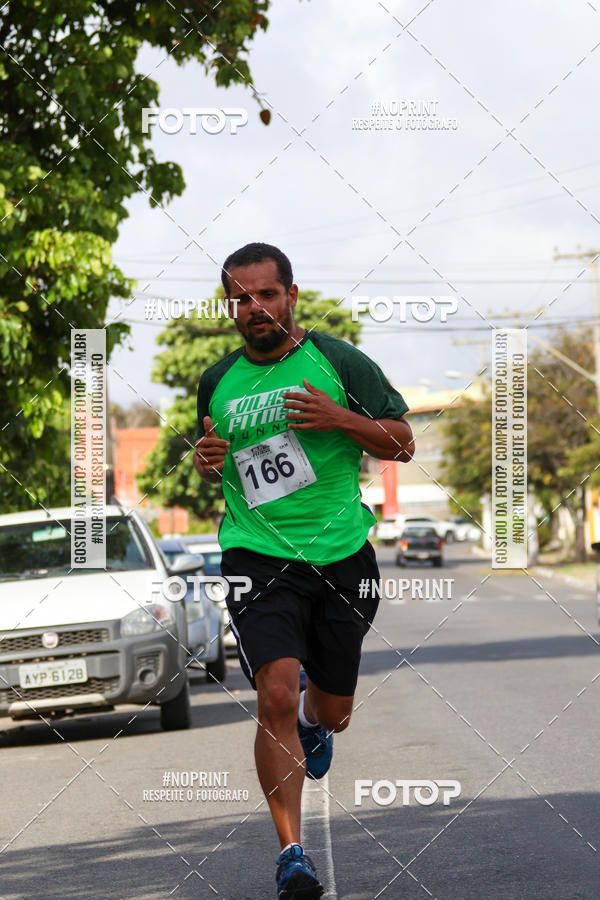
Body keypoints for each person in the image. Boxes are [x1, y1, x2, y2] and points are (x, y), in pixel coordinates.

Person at [193, 243, 414, 899]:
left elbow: (403, 442)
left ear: (291, 295)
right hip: (256, 554)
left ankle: (317, 725)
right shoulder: (216, 380)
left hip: (341, 556)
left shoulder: (339, 361)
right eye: (240, 299)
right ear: (229, 307)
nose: (254, 308)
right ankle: (291, 854)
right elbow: (214, 461)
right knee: (276, 696)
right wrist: (205, 460)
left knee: (332, 712)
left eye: (266, 294)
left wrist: (340, 418)